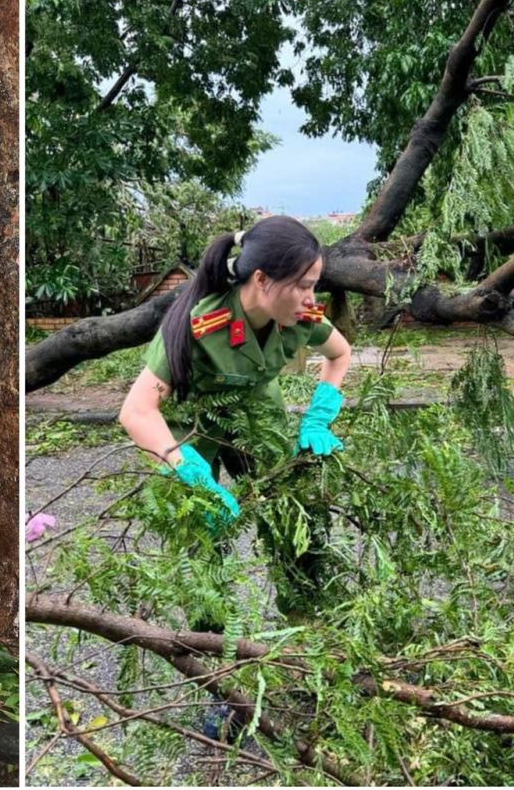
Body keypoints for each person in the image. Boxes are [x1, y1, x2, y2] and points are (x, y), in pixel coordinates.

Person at [119, 216, 354, 661]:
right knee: (203, 540)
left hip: (260, 416)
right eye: (304, 285)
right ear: (263, 279)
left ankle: (305, 640)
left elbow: (339, 353)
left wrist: (319, 418)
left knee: (292, 517)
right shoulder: (200, 323)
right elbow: (136, 411)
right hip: (197, 426)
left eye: (315, 285)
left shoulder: (303, 314)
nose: (311, 297)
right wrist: (186, 469)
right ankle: (214, 661)